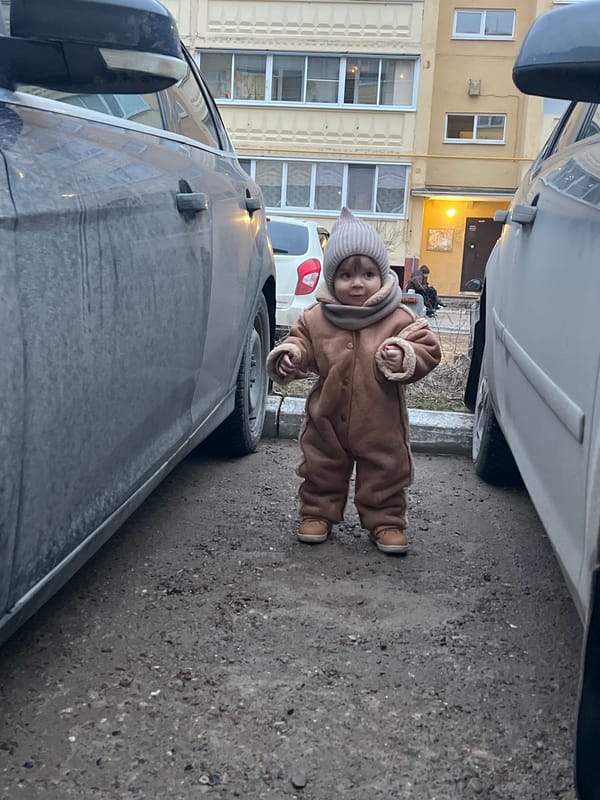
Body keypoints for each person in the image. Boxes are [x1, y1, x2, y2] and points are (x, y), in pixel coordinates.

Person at [266, 208, 441, 555]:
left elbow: (427, 348)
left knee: (385, 469)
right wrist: (291, 356)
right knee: (320, 465)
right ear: (332, 280)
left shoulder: (399, 317)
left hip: (381, 421)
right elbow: (301, 343)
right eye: (345, 274)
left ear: (382, 275)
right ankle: (317, 513)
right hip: (327, 416)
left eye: (367, 274)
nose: (357, 283)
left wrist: (404, 354)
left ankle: (386, 520)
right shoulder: (317, 318)